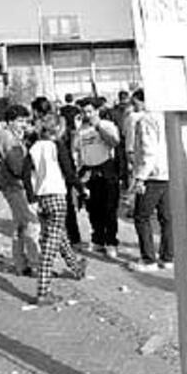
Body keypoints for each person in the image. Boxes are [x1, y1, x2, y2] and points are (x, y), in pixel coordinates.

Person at [24, 113, 86, 306]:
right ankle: (43, 292)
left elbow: (25, 173)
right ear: (59, 129)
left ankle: (76, 268)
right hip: (57, 196)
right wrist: (81, 189)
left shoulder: (34, 147)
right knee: (50, 246)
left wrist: (31, 195)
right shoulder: (56, 146)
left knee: (58, 236)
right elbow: (69, 172)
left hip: (41, 197)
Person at [129, 88, 173, 272]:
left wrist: (140, 177)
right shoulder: (167, 117)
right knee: (167, 218)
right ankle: (168, 257)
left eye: (135, 102)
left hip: (152, 175)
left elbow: (149, 152)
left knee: (141, 216)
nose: (134, 107)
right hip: (168, 172)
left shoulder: (146, 120)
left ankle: (148, 259)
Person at [0, 104, 40, 276]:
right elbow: (17, 167)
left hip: (11, 184)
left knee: (19, 224)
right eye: (20, 121)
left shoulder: (12, 135)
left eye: (25, 121)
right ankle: (36, 263)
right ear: (10, 121)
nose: (24, 124)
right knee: (30, 223)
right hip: (14, 185)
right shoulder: (8, 138)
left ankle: (20, 264)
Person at [75, 96, 120, 257]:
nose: (87, 114)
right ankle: (98, 239)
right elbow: (78, 151)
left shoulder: (107, 125)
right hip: (88, 171)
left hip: (106, 169)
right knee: (93, 209)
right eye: (84, 111)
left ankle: (111, 241)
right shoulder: (81, 130)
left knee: (109, 208)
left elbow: (114, 142)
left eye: (89, 111)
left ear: (96, 111)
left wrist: (99, 127)